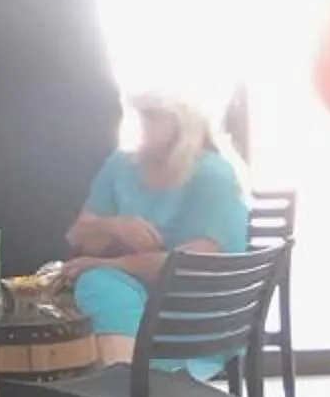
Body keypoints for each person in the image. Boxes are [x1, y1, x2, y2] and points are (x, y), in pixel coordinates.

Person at [66, 92, 249, 366]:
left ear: (184, 123)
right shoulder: (120, 165)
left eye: (154, 117)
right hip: (133, 296)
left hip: (195, 311)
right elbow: (78, 235)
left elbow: (192, 266)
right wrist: (113, 226)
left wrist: (107, 264)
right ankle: (122, 378)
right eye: (141, 115)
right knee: (96, 285)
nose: (143, 125)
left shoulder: (212, 174)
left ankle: (122, 381)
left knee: (99, 281)